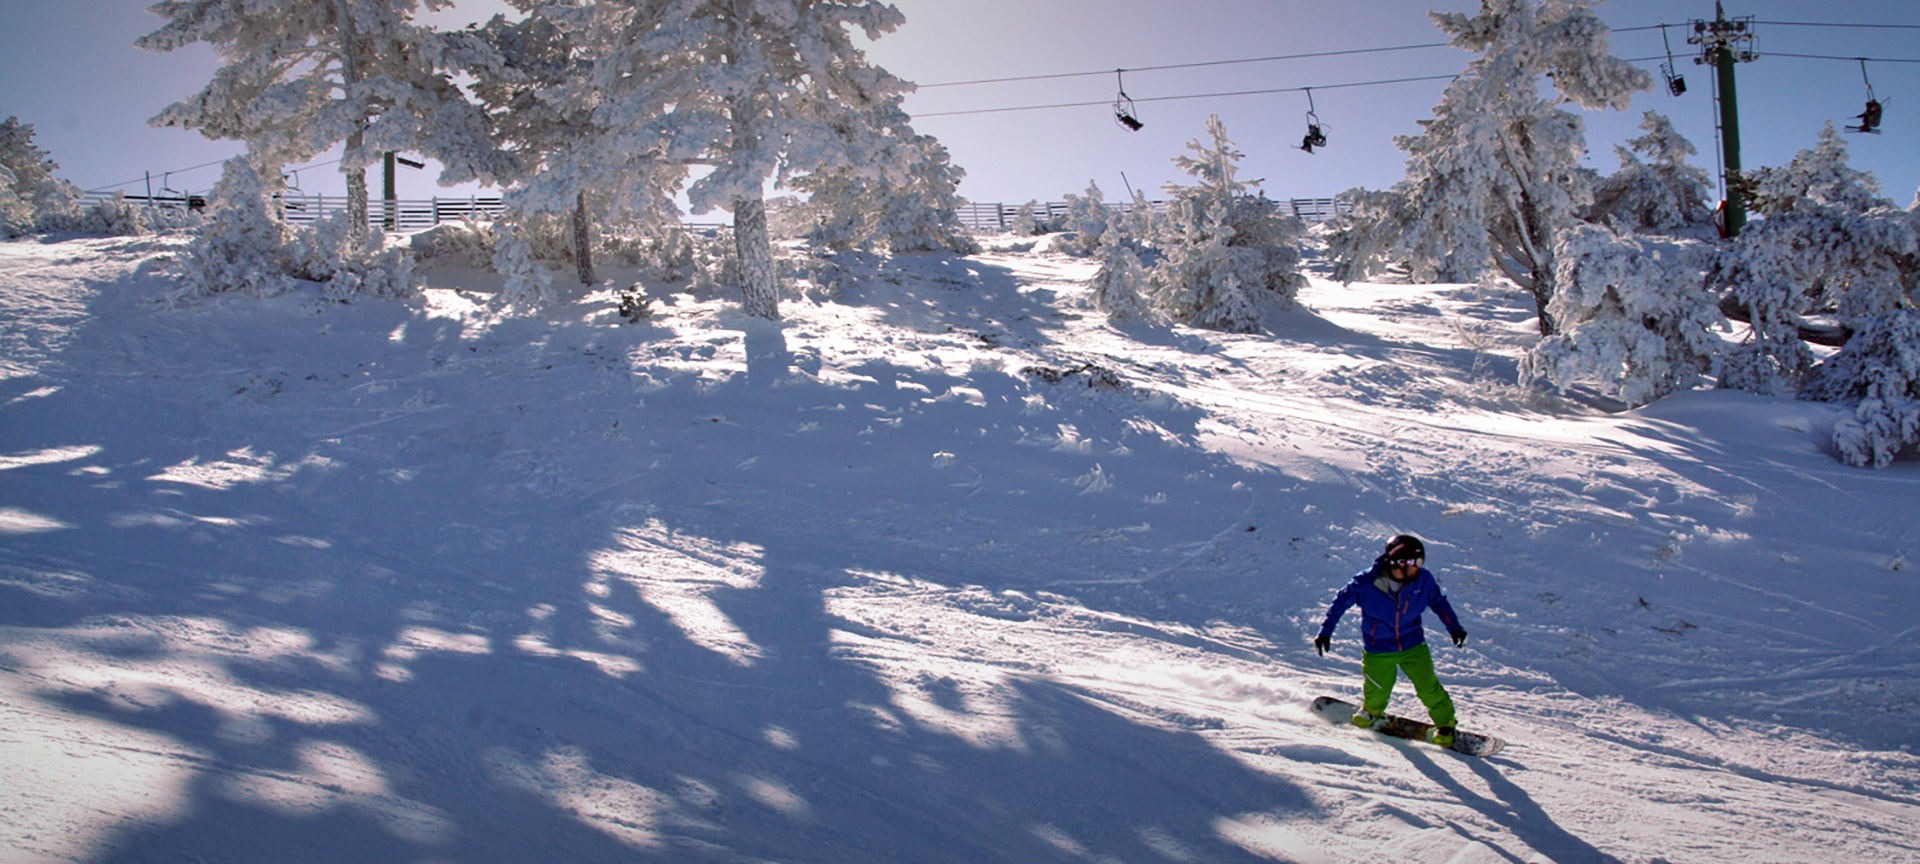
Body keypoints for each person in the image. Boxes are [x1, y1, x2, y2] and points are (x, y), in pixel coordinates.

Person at [1313, 534, 1468, 746]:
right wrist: (1325, 632)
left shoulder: (1423, 581)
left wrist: (1454, 627)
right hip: (1378, 648)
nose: (1419, 568)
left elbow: (1439, 603)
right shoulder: (1366, 583)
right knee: (1377, 689)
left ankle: (1445, 725)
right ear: (1398, 562)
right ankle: (1371, 712)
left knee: (1428, 687)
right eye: (1416, 563)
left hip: (1413, 645)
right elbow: (1339, 603)